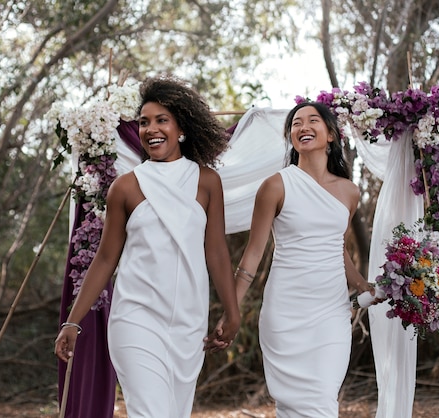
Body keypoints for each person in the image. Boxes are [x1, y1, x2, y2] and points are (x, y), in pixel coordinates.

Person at [55, 75, 240, 418]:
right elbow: (106, 258)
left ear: (181, 127)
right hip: (135, 318)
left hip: (189, 321)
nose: (150, 129)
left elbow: (216, 252)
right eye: (143, 122)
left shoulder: (207, 181)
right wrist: (73, 321)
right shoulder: (125, 187)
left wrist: (232, 311)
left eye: (161, 120)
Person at [206, 101, 378, 416]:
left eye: (313, 120)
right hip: (285, 311)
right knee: (293, 405)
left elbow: (335, 247)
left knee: (323, 400)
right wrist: (231, 312)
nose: (302, 127)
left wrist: (362, 285)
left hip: (331, 311)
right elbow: (252, 255)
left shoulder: (349, 192)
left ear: (331, 136)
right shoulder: (275, 185)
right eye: (296, 123)